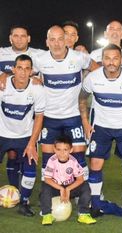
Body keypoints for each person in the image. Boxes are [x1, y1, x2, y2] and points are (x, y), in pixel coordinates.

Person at [79, 44, 122, 221]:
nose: (111, 62)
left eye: (115, 58)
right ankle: (95, 206)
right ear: (102, 60)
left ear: (121, 60)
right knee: (95, 164)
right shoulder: (92, 78)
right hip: (101, 127)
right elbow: (82, 99)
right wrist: (86, 123)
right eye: (107, 58)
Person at [32, 25, 99, 184]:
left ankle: (84, 194)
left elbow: (96, 69)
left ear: (66, 41)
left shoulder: (78, 57)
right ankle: (49, 195)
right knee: (49, 158)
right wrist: (31, 79)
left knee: (78, 155)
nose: (56, 43)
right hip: (49, 117)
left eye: (60, 39)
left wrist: (87, 85)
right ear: (47, 42)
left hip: (74, 116)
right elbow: (24, 72)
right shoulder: (40, 59)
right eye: (52, 40)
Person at [0, 54, 45, 216]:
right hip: (2, 134)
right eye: (19, 68)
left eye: (27, 69)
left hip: (25, 135)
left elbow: (39, 116)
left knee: (30, 165)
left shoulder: (37, 89)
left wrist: (32, 143)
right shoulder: (2, 86)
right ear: (13, 69)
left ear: (31, 71)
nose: (23, 72)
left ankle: (24, 202)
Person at [0, 25, 44, 188]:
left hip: (29, 110)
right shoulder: (1, 53)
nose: (19, 39)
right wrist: (5, 74)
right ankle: (13, 188)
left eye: (23, 36)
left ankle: (24, 192)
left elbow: (56, 58)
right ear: (10, 38)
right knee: (12, 153)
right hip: (6, 112)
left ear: (29, 38)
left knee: (26, 152)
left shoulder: (38, 54)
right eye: (15, 36)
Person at [40, 135, 96, 225]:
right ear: (54, 149)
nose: (62, 153)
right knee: (45, 188)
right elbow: (47, 179)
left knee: (85, 186)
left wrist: (68, 189)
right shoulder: (52, 161)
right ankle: (46, 214)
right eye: (58, 149)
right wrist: (61, 189)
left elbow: (80, 179)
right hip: (55, 187)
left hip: (69, 187)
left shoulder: (73, 161)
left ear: (71, 150)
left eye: (65, 150)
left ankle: (83, 214)